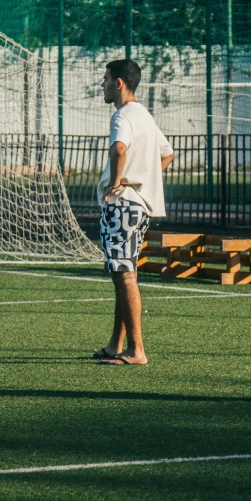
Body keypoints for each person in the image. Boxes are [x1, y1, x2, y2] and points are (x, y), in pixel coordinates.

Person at [94, 59, 174, 365]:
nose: (102, 84)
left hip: (123, 206)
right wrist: (144, 179)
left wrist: (118, 182)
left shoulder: (122, 115)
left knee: (125, 276)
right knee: (123, 273)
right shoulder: (145, 115)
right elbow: (168, 154)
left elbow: (119, 149)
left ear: (118, 83)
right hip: (139, 206)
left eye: (104, 79)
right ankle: (117, 344)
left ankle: (137, 350)